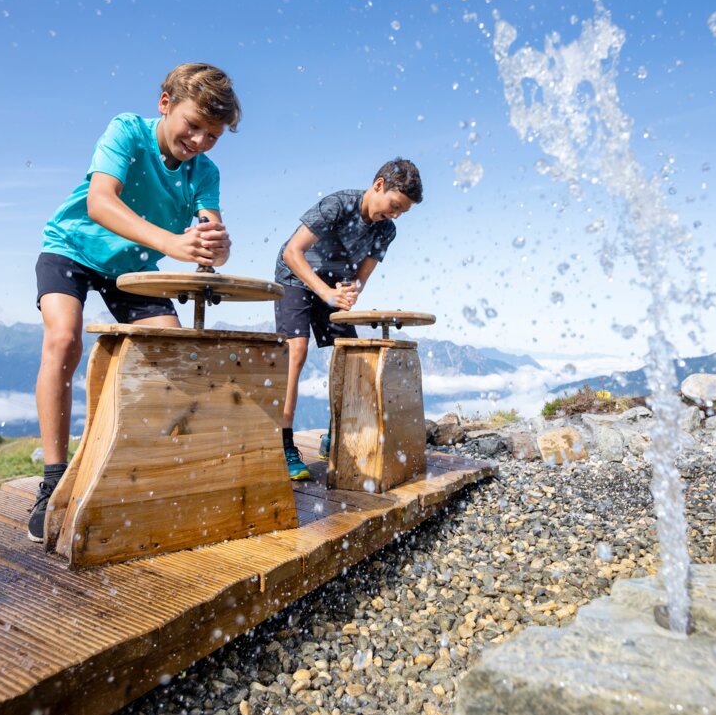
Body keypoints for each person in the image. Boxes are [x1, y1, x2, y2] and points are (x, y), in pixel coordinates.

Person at [28, 63, 241, 543]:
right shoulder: (127, 130)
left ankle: (136, 468)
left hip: (132, 268)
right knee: (63, 340)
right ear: (165, 103)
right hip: (71, 248)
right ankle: (52, 479)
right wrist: (170, 242)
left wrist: (215, 247)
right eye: (194, 126)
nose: (201, 141)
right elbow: (100, 203)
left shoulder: (205, 172)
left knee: (172, 354)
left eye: (213, 134)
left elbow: (209, 231)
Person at [274, 159, 423, 480]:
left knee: (351, 354)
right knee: (295, 352)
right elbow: (292, 252)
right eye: (394, 206)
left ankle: (335, 435)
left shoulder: (387, 229)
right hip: (294, 277)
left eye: (402, 212)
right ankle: (283, 445)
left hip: (334, 285)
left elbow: (362, 274)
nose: (395, 215)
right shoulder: (338, 205)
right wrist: (326, 293)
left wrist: (349, 293)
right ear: (379, 185)